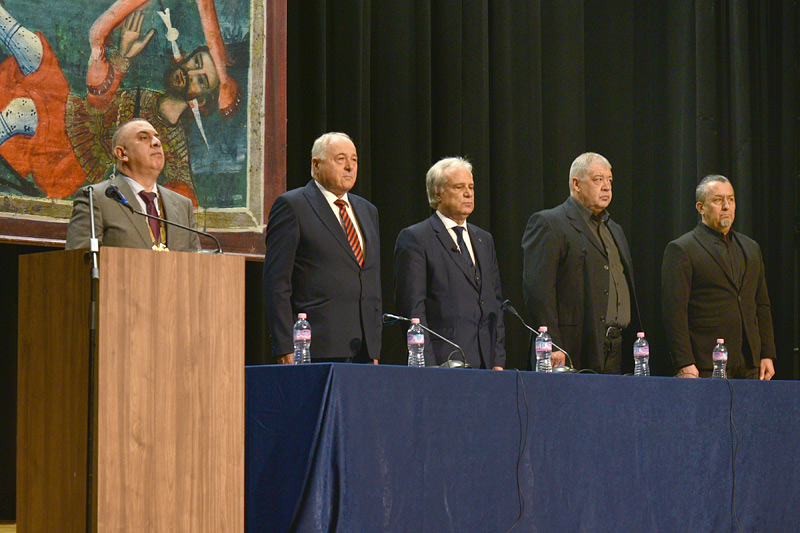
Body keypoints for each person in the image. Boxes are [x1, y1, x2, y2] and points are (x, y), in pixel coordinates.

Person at [263, 132, 382, 364]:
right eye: (341, 159)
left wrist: (375, 348)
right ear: (316, 165)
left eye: (354, 159)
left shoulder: (368, 211)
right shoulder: (293, 206)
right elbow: (276, 283)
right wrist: (284, 345)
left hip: (364, 349)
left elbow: (370, 278)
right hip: (314, 347)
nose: (349, 166)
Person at [521, 152, 640, 373]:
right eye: (598, 179)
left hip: (615, 347)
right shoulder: (550, 223)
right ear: (576, 184)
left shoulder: (614, 230)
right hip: (571, 347)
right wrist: (552, 344)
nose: (606, 187)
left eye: (609, 180)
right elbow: (538, 291)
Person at [394, 157, 505, 369]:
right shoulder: (417, 238)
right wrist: (427, 366)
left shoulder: (484, 240)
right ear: (438, 194)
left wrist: (497, 360)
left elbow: (496, 304)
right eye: (459, 187)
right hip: (443, 362)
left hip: (486, 364)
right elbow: (412, 309)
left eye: (471, 187)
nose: (468, 193)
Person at [661, 175, 776, 379]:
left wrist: (767, 353)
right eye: (718, 200)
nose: (726, 206)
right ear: (700, 207)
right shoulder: (682, 249)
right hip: (706, 362)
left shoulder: (751, 248)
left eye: (730, 199)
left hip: (750, 362)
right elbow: (674, 311)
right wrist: (684, 361)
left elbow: (762, 304)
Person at [65, 118, 201, 252]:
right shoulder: (96, 198)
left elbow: (195, 262)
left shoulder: (182, 205)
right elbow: (78, 260)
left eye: (157, 138)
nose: (157, 142)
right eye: (144, 138)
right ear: (122, 153)